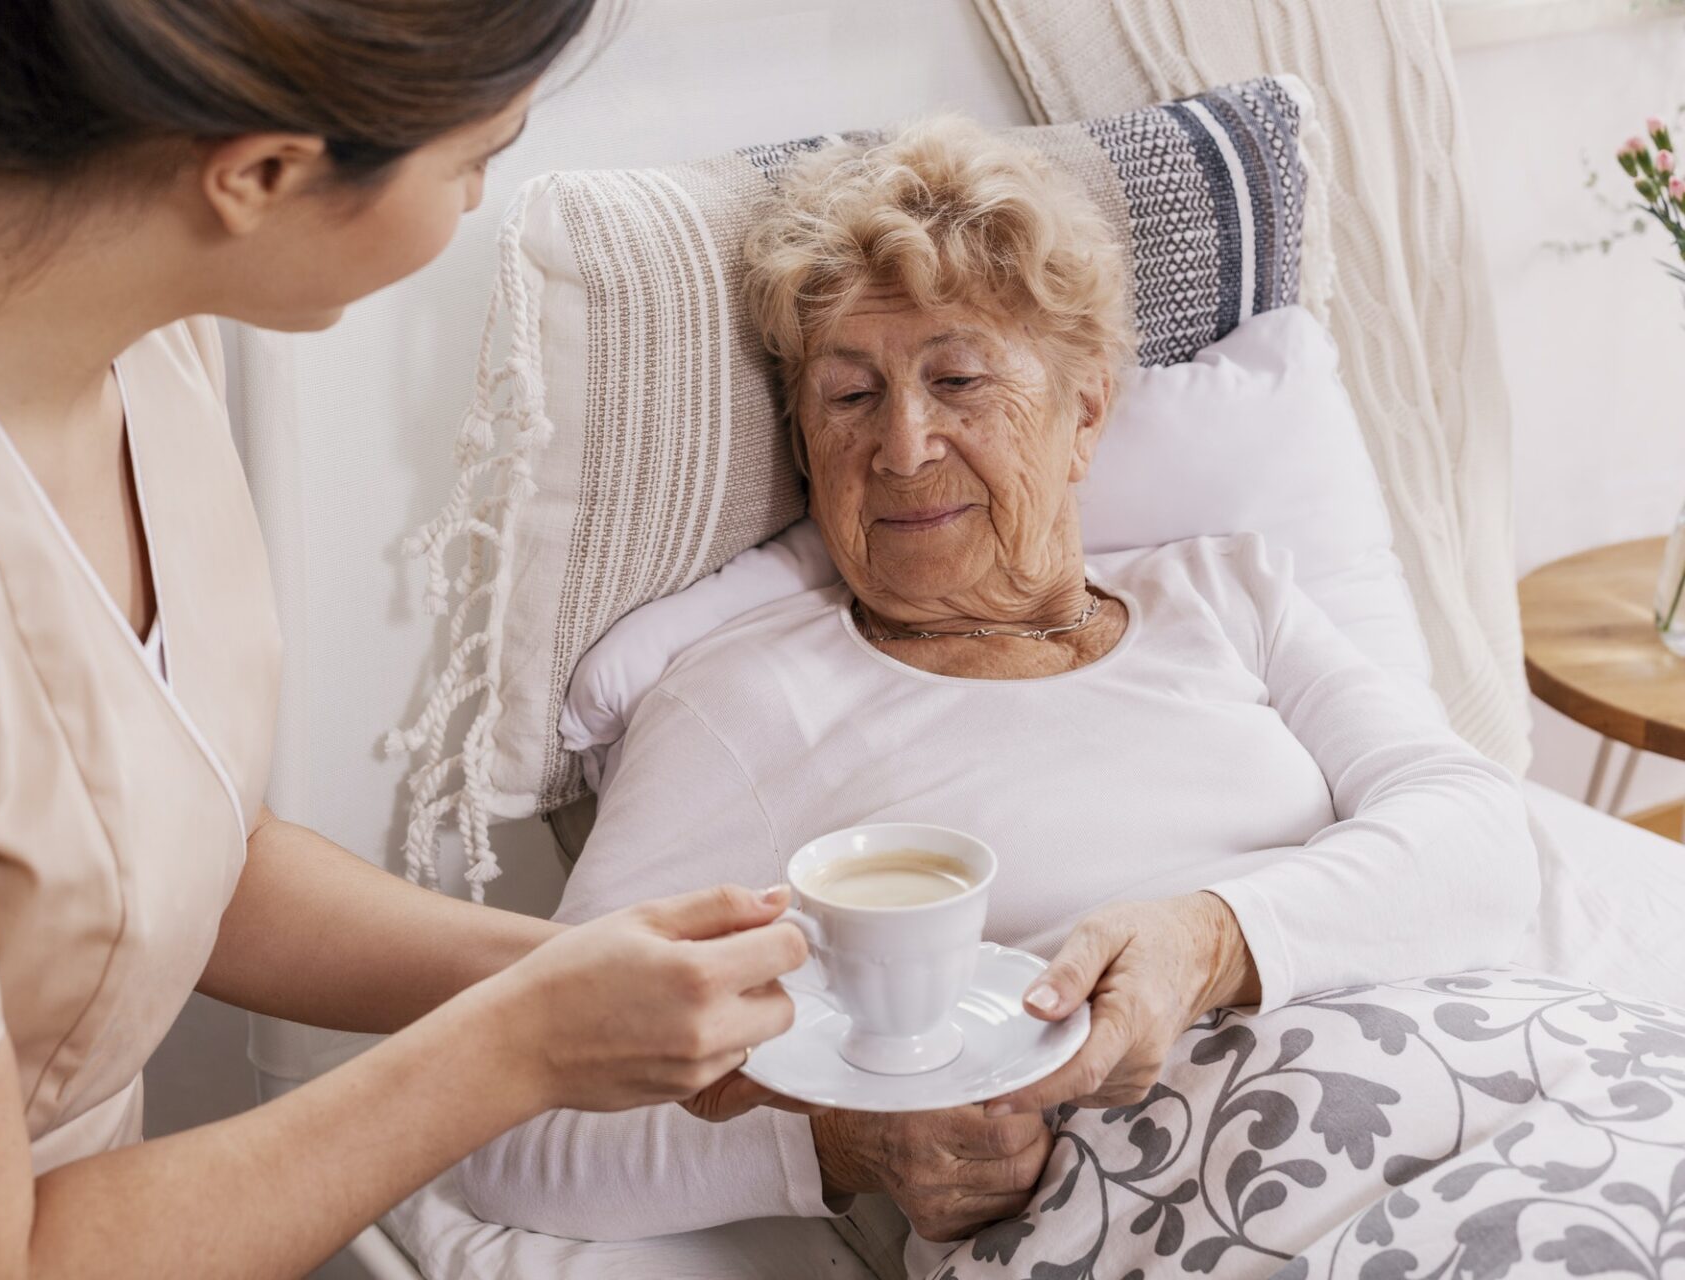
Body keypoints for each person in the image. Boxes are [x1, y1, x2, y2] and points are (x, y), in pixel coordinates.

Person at [0, 3, 813, 1276]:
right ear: (260, 173)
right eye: (477, 156)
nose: (480, 201)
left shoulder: (134, 322)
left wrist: (590, 978)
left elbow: (190, 854)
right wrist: (521, 1043)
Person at [455, 116, 1537, 1247]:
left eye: (958, 377)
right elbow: (521, 1114)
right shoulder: (744, 698)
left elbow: (1480, 836)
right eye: (850, 395)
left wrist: (1207, 940)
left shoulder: (1230, 592)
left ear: (1084, 412)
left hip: (1521, 1105)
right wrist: (846, 1139)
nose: (906, 444)